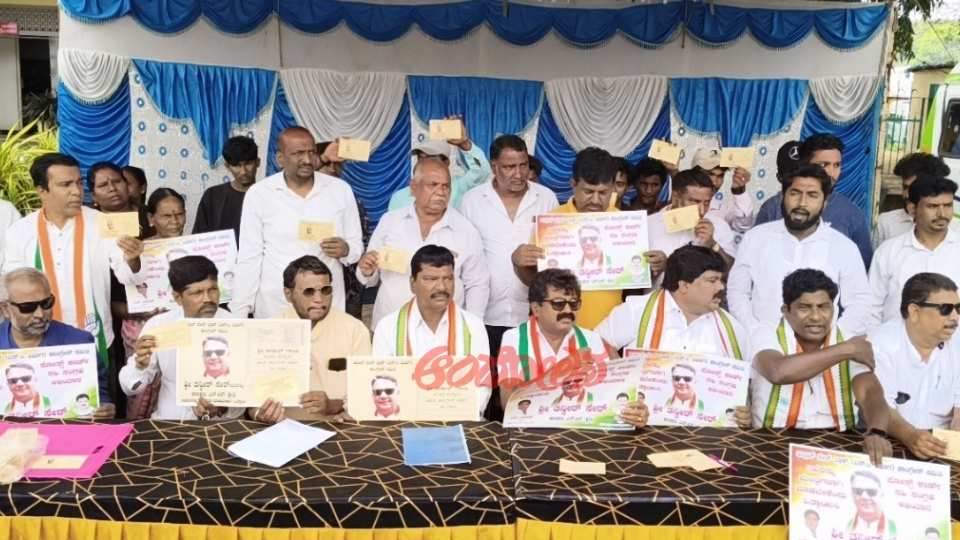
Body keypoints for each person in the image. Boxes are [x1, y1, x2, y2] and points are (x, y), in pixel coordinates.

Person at [4, 153, 145, 375]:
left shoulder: (103, 223)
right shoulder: (19, 232)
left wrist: (133, 258)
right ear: (42, 191)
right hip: (39, 346)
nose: (77, 191)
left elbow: (128, 276)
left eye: (79, 183)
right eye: (66, 185)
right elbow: (12, 290)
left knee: (100, 398)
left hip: (96, 341)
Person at [749, 269, 892, 465]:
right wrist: (847, 349)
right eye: (805, 308)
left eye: (824, 307)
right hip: (772, 443)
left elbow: (870, 392)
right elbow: (778, 372)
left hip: (837, 443)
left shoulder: (845, 337)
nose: (816, 317)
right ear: (785, 310)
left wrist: (877, 431)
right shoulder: (765, 333)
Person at [459, 135, 558, 418]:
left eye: (523, 165)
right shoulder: (472, 201)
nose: (518, 173)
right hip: (485, 316)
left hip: (531, 316)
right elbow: (464, 257)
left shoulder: (546, 198)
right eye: (509, 166)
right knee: (487, 391)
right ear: (494, 167)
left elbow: (557, 255)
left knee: (527, 393)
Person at [596, 245, 750, 426]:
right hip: (641, 430)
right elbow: (595, 344)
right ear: (684, 285)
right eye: (712, 280)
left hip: (707, 435)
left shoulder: (732, 328)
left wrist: (743, 413)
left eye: (721, 280)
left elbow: (742, 389)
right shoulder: (637, 311)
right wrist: (623, 384)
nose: (721, 287)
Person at [120, 256, 283, 422]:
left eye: (213, 290)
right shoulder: (160, 326)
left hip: (222, 426)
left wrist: (223, 408)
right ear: (177, 297)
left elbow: (248, 391)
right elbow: (130, 388)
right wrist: (140, 366)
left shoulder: (236, 327)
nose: (208, 299)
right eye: (197, 293)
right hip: (169, 423)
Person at [232, 127, 362, 318]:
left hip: (325, 305)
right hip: (276, 306)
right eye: (298, 153)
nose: (307, 160)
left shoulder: (340, 190)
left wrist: (346, 250)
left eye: (311, 152)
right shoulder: (259, 194)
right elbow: (249, 256)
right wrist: (240, 311)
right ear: (280, 158)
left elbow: (356, 246)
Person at [729, 164, 875, 335]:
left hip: (822, 348)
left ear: (824, 203)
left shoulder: (844, 247)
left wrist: (832, 339)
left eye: (812, 195)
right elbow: (737, 292)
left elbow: (860, 302)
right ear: (782, 196)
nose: (802, 203)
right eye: (795, 193)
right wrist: (754, 331)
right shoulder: (756, 238)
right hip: (760, 344)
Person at [511, 147, 633, 329]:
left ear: (613, 188)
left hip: (610, 332)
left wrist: (655, 267)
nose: (596, 200)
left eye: (603, 193)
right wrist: (519, 263)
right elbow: (534, 282)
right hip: (559, 331)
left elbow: (635, 278)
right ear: (573, 184)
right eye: (588, 192)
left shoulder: (625, 224)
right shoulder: (551, 223)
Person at [359, 160, 489, 329]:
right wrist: (366, 270)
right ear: (414, 188)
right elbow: (369, 275)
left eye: (446, 186)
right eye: (433, 185)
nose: (441, 192)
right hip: (392, 326)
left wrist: (473, 325)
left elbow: (477, 283)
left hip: (444, 329)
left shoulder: (465, 230)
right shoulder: (390, 222)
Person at [371, 245, 490, 418]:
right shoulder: (387, 327)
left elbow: (481, 385)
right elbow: (382, 383)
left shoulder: (473, 325)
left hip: (460, 420)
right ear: (412, 284)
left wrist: (451, 415)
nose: (441, 287)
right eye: (431, 279)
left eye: (448, 279)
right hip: (404, 420)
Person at [0, 268, 114, 418]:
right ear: (5, 309)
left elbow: (100, 394)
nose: (40, 314)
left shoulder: (78, 342)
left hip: (69, 430)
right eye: (28, 307)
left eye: (46, 303)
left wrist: (105, 408)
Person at [870, 273, 960, 458]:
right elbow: (879, 406)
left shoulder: (957, 344)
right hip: (888, 441)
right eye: (945, 309)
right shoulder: (880, 343)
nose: (955, 317)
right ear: (914, 312)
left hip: (942, 445)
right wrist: (910, 435)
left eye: (958, 309)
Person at [754, 134, 873, 267]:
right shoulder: (772, 208)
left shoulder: (852, 213)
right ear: (805, 165)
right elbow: (755, 258)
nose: (831, 172)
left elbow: (862, 266)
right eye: (823, 164)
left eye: (837, 165)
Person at [279, 255, 371, 421]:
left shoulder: (355, 330)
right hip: (282, 425)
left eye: (325, 290)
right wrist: (259, 413)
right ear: (288, 294)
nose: (319, 299)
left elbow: (365, 392)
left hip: (338, 425)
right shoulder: (270, 330)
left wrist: (333, 405)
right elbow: (253, 399)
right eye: (309, 292)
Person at [496, 269, 607, 406]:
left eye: (573, 303)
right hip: (532, 419)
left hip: (578, 417)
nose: (568, 310)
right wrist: (561, 370)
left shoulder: (591, 339)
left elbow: (605, 395)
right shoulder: (514, 338)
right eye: (558, 304)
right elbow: (507, 403)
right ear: (536, 308)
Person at [870, 175, 960, 323]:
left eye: (948, 205)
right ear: (913, 209)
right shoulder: (888, 252)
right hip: (896, 337)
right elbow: (871, 308)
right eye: (932, 206)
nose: (942, 214)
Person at [113, 188, 187, 357]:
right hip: (143, 335)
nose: (174, 221)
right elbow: (115, 304)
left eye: (179, 214)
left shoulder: (200, 249)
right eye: (166, 216)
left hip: (184, 332)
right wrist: (142, 312)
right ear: (150, 218)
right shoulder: (134, 252)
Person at [388, 117, 491, 211]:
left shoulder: (457, 187)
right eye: (420, 157)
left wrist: (465, 144)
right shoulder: (399, 197)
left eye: (431, 158)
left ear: (446, 163)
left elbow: (482, 171)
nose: (425, 163)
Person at [646, 168, 737, 270]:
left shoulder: (719, 225)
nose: (702, 211)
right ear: (675, 197)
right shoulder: (648, 225)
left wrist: (713, 245)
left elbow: (733, 271)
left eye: (706, 203)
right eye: (695, 202)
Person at [193, 136, 261, 244]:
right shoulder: (212, 196)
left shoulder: (269, 195)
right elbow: (199, 239)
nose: (243, 171)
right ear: (227, 166)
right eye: (237, 165)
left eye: (248, 164)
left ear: (257, 162)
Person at [874, 153, 952, 246]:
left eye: (914, 189)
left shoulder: (955, 229)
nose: (907, 195)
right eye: (905, 187)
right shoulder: (886, 223)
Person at [691, 147, 754, 233]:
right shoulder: (677, 203)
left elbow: (743, 227)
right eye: (710, 174)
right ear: (694, 173)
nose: (714, 182)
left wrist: (739, 191)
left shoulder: (723, 209)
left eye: (720, 176)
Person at [846, 470, 895, 536]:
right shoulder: (844, 525)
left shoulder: (894, 528)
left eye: (871, 492)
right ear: (852, 494)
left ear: (882, 495)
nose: (864, 496)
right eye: (858, 491)